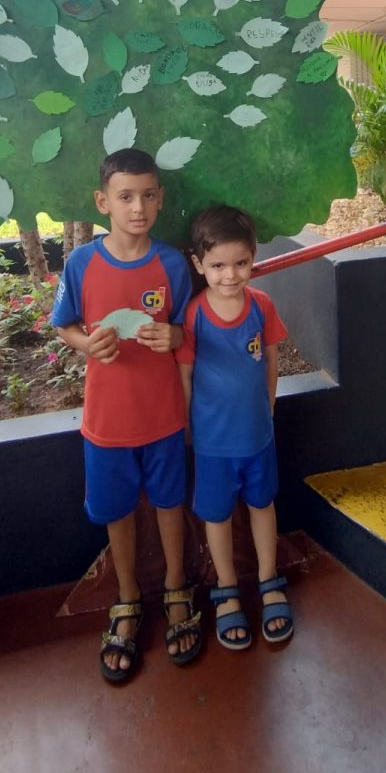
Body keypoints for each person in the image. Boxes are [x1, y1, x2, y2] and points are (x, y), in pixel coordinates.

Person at [51, 147, 201, 682]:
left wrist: (175, 335)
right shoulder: (81, 263)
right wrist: (87, 344)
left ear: (160, 199)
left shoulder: (172, 264)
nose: (138, 207)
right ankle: (128, 597)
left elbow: (188, 328)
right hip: (106, 423)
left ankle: (177, 588)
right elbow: (65, 325)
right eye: (126, 197)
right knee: (116, 510)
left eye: (148, 196)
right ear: (103, 202)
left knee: (169, 502)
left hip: (164, 417)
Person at [177, 204, 294, 651]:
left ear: (253, 258)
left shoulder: (262, 306)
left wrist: (269, 408)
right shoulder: (194, 315)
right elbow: (185, 375)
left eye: (241, 263)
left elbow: (271, 363)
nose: (230, 275)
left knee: (263, 504)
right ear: (199, 264)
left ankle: (269, 581)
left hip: (258, 437)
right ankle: (227, 591)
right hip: (212, 444)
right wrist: (187, 427)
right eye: (218, 265)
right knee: (217, 515)